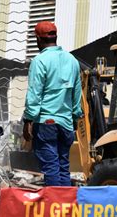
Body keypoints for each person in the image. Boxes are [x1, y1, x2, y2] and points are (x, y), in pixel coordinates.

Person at [22, 21, 82, 186]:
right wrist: (75, 117)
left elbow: (34, 94)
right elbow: (77, 94)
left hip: (46, 123)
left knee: (51, 168)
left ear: (38, 40)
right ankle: (65, 208)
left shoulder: (40, 61)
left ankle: (54, 207)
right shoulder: (72, 61)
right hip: (66, 124)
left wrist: (28, 121)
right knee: (63, 166)